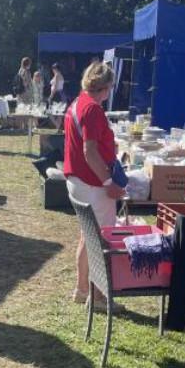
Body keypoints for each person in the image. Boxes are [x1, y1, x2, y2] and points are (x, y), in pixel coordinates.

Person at [64, 62, 126, 307]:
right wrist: (109, 181)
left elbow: (88, 148)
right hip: (92, 183)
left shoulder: (77, 104)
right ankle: (98, 295)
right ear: (107, 87)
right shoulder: (93, 110)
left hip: (78, 180)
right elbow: (90, 152)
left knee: (88, 236)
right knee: (100, 239)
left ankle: (82, 290)